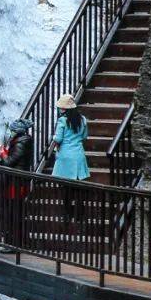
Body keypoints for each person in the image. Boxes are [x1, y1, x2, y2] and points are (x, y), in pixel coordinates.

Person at [0, 118, 33, 248]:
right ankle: (14, 243)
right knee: (14, 213)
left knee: (14, 214)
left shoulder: (21, 143)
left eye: (12, 130)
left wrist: (2, 152)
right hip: (16, 182)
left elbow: (9, 162)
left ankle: (14, 245)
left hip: (16, 183)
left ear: (18, 132)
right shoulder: (21, 141)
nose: (10, 132)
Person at [51, 93, 90, 222]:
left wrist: (53, 139)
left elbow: (58, 138)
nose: (60, 109)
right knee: (78, 187)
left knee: (66, 187)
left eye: (61, 107)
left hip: (65, 156)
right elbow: (84, 137)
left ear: (65, 109)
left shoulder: (62, 120)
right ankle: (80, 215)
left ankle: (66, 215)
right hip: (78, 155)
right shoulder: (82, 119)